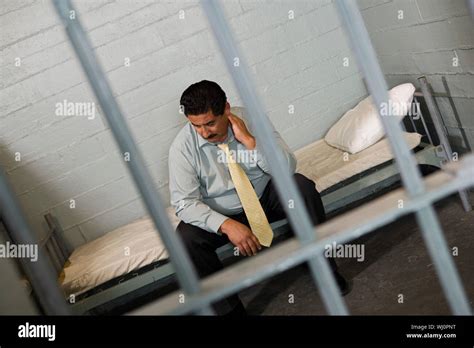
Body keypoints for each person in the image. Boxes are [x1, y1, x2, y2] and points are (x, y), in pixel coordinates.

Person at [169, 80, 349, 316]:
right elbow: (183, 203)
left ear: (226, 109)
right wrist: (225, 224)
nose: (204, 133)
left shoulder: (253, 119)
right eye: (196, 126)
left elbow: (286, 169)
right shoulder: (182, 148)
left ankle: (323, 267)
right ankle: (228, 310)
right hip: (222, 212)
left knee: (300, 187)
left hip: (263, 196)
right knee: (185, 238)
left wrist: (251, 142)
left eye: (210, 123)